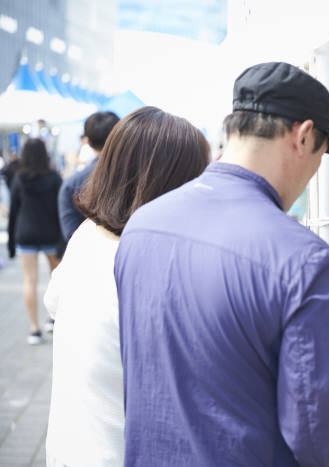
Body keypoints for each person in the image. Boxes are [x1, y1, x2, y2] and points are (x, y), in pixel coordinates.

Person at [114, 62, 329, 466]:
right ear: (303, 136)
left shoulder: (142, 227)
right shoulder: (305, 261)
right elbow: (320, 435)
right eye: (321, 155)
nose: (315, 171)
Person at [43, 106, 210, 467]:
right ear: (170, 185)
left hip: (70, 445)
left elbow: (53, 303)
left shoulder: (88, 235)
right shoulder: (156, 263)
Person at [8, 138, 62, 344]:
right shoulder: (55, 178)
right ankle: (54, 319)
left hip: (26, 234)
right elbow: (61, 209)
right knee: (55, 278)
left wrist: (12, 244)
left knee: (29, 280)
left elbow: (13, 212)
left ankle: (34, 329)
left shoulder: (19, 179)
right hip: (50, 234)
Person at [58, 111, 119, 242]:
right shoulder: (140, 177)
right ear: (121, 138)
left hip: (87, 256)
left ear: (88, 142)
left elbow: (70, 234)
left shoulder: (71, 184)